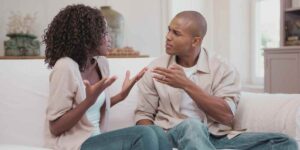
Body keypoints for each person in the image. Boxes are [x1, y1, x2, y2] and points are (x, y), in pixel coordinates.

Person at [135, 10, 298, 150]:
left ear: (195, 41)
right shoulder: (155, 69)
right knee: (192, 125)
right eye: (169, 30)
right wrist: (156, 143)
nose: (168, 37)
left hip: (215, 136)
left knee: (284, 143)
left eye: (176, 33)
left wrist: (186, 84)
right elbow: (143, 115)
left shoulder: (222, 68)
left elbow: (226, 116)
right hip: (170, 135)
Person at [43, 4, 171, 150]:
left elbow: (96, 105)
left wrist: (121, 96)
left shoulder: (101, 64)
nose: (109, 38)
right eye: (104, 32)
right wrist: (88, 101)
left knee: (155, 131)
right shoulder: (65, 67)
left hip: (97, 140)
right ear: (87, 37)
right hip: (74, 145)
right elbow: (55, 127)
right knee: (143, 134)